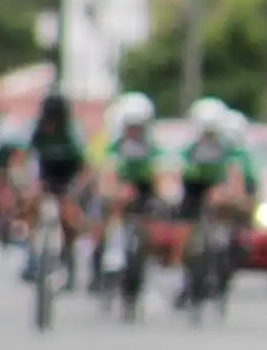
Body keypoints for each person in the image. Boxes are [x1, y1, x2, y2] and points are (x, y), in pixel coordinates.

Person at [19, 91, 91, 288]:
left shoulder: (73, 134)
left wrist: (75, 190)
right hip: (45, 178)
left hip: (68, 179)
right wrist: (28, 185)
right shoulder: (37, 131)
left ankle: (69, 262)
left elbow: (85, 167)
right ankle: (31, 256)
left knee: (68, 218)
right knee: (30, 207)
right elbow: (26, 158)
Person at [171, 97, 238, 306]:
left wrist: (228, 192)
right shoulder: (190, 147)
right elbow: (176, 170)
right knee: (188, 233)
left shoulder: (227, 148)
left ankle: (220, 255)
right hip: (193, 189)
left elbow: (235, 172)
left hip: (218, 188)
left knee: (222, 217)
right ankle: (186, 276)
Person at [96, 93, 163, 280]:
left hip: (146, 191)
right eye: (131, 126)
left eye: (139, 126)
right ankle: (115, 248)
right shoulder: (115, 147)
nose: (135, 131)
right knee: (117, 201)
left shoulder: (153, 147)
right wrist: (114, 191)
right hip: (121, 191)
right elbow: (107, 172)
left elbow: (163, 172)